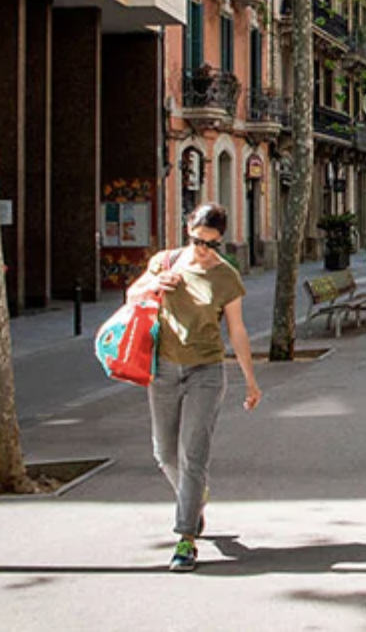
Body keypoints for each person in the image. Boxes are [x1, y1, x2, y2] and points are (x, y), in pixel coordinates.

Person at [126, 204, 261, 572]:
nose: (203, 250)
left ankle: (186, 537)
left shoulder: (226, 277)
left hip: (207, 371)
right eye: (198, 241)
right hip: (164, 368)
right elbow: (132, 297)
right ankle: (195, 494)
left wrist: (250, 380)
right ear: (188, 229)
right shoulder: (165, 262)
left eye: (212, 244)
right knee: (164, 453)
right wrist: (155, 285)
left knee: (193, 453)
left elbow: (237, 330)